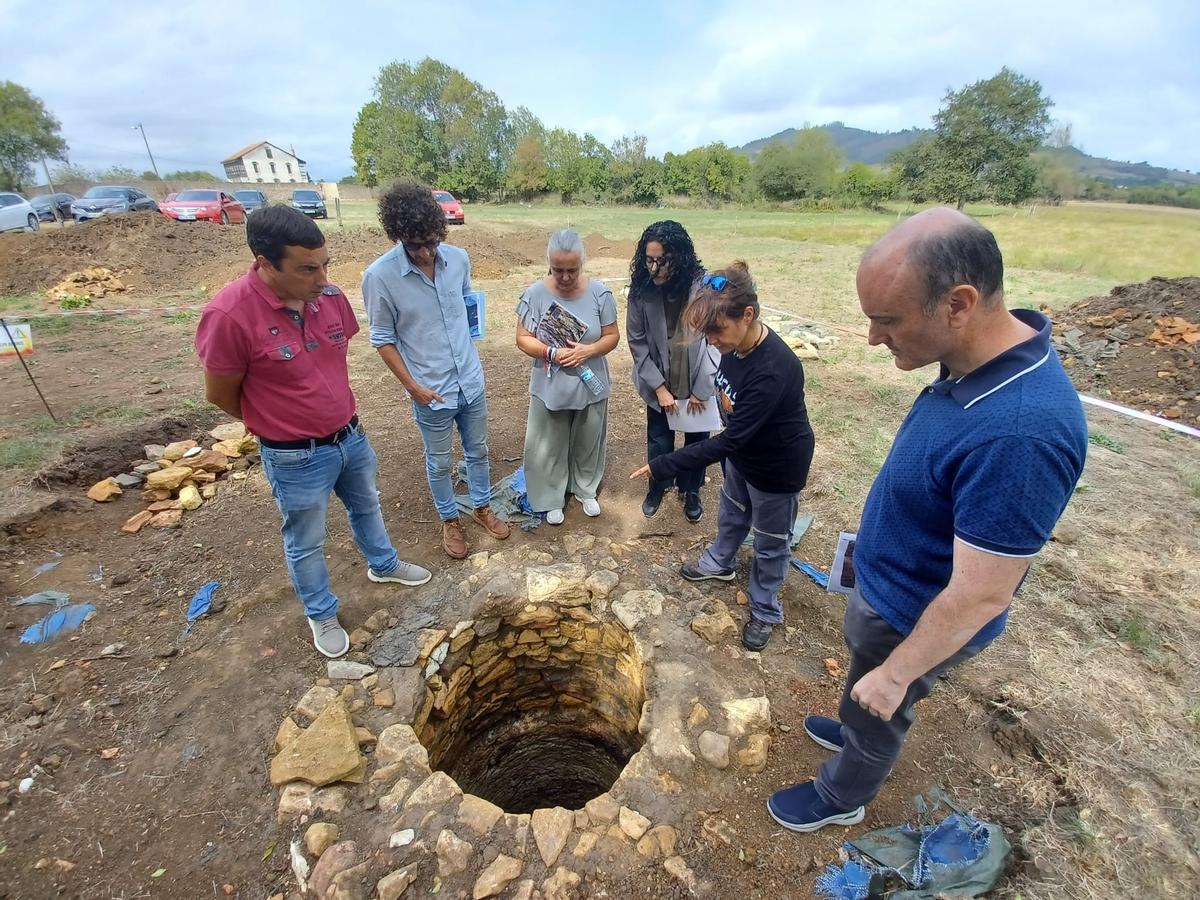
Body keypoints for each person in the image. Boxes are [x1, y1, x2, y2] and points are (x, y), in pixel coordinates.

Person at [767, 208, 1088, 833]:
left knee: (881, 706)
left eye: (886, 320)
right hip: (891, 589)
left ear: (958, 304)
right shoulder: (971, 362)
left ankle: (842, 795)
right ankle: (858, 713)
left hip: (915, 615)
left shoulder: (1021, 433)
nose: (871, 338)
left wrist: (896, 675)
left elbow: (981, 595)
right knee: (866, 680)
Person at [195, 205, 431, 659]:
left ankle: (383, 565)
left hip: (350, 436)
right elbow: (221, 394)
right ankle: (321, 612)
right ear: (264, 263)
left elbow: (332, 356)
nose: (322, 277)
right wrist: (277, 422)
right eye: (307, 269)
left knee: (367, 506)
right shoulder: (229, 315)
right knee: (305, 539)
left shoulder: (330, 297)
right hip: (293, 456)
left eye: (325, 264)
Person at [631, 261, 815, 651]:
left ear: (747, 315)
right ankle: (721, 561)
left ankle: (765, 608)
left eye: (717, 330)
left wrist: (662, 465)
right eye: (707, 332)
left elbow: (727, 443)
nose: (711, 340)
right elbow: (733, 432)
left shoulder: (775, 369)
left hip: (776, 467)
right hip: (743, 457)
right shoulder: (734, 346)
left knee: (770, 540)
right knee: (732, 512)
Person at [361, 179, 511, 560]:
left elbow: (466, 307)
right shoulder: (380, 277)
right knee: (440, 460)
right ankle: (449, 518)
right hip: (431, 391)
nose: (426, 253)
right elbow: (381, 338)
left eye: (432, 241)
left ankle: (480, 507)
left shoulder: (458, 260)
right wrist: (413, 387)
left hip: (470, 382)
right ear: (398, 236)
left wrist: (471, 354)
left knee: (478, 451)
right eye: (415, 246)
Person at [516, 229, 620, 525]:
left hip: (590, 381)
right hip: (551, 383)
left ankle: (585, 489)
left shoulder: (600, 293)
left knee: (588, 438)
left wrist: (587, 351)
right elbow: (523, 338)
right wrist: (550, 353)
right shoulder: (534, 294)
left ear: (582, 264)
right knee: (549, 440)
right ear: (548, 262)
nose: (564, 276)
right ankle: (551, 497)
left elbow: (612, 336)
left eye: (571, 270)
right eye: (557, 269)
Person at [626, 220, 718, 522]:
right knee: (659, 440)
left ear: (677, 257)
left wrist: (702, 388)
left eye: (661, 261)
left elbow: (716, 341)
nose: (653, 268)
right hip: (659, 381)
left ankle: (691, 489)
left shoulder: (702, 289)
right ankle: (658, 485)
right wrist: (659, 388)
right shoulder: (640, 290)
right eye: (648, 259)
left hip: (696, 381)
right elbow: (637, 343)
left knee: (697, 441)